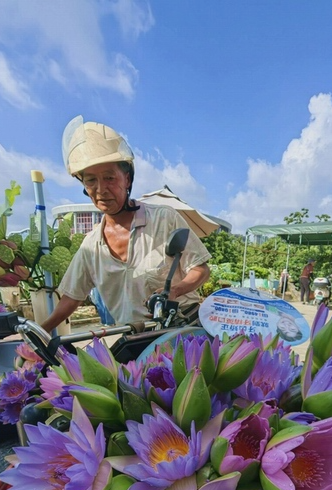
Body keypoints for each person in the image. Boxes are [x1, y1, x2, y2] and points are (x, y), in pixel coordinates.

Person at [41, 117, 211, 332]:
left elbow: (201, 269)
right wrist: (38, 333)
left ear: (127, 179)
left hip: (181, 329)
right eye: (91, 180)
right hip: (134, 339)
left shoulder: (164, 219)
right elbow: (70, 299)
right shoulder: (90, 247)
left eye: (110, 178)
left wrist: (176, 290)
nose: (101, 189)